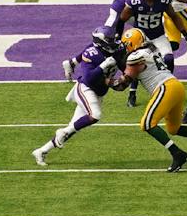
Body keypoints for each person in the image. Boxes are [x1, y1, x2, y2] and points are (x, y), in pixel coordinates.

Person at [119, 27, 187, 171]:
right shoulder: (151, 50)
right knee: (174, 128)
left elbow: (122, 84)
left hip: (165, 88)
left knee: (147, 123)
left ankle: (177, 154)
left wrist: (104, 79)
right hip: (176, 86)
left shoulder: (135, 57)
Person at [33, 26, 124, 165]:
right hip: (86, 89)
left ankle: (41, 151)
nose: (113, 42)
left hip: (99, 92)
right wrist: (103, 66)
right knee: (95, 115)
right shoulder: (91, 53)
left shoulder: (116, 49)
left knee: (72, 128)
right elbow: (89, 79)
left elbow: (124, 64)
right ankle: (61, 133)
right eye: (110, 40)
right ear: (101, 42)